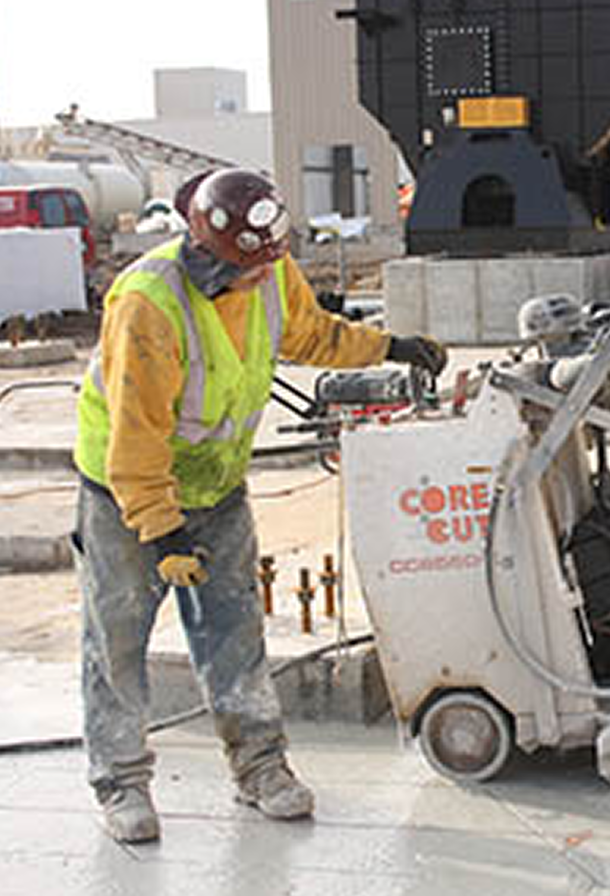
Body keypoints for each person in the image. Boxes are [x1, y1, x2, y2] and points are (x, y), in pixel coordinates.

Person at [72, 168, 446, 843]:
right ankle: (121, 781)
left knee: (235, 634)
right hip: (125, 497)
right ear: (207, 251)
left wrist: (392, 347)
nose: (259, 281)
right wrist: (161, 534)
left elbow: (310, 334)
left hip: (216, 489)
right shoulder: (149, 305)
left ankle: (261, 770)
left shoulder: (268, 271)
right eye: (247, 269)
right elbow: (136, 436)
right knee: (117, 640)